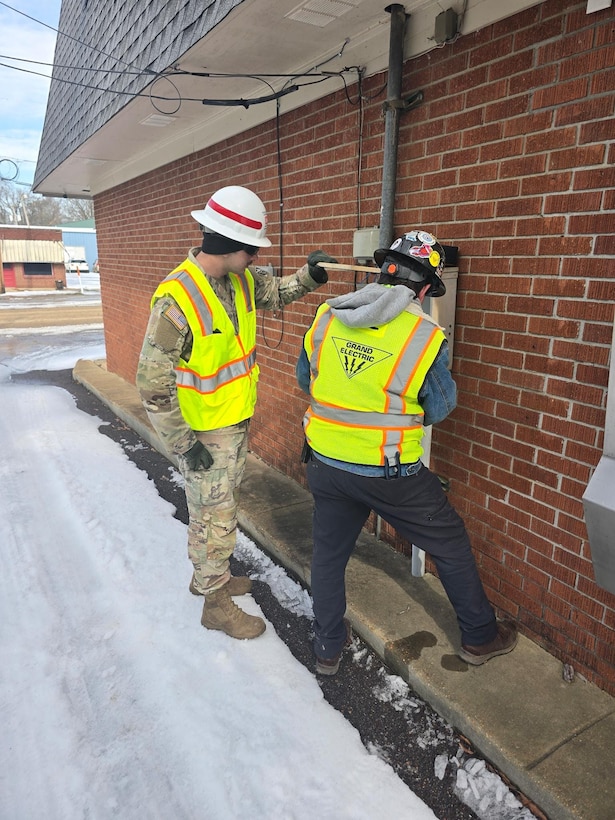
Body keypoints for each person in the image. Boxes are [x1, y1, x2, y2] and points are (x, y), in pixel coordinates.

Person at [296, 230, 518, 675]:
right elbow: (439, 407)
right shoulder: (424, 335)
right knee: (450, 542)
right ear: (425, 287)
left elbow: (308, 380)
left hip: (325, 462)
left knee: (328, 555)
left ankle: (326, 649)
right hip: (390, 473)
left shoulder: (327, 315)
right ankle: (479, 636)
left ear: (382, 270)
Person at [137, 185, 336, 640]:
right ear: (232, 246)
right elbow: (151, 384)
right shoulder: (177, 300)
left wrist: (310, 275)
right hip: (203, 432)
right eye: (252, 249)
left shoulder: (240, 279)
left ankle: (211, 578)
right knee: (217, 515)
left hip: (233, 421)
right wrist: (185, 446)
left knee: (211, 509)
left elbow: (278, 292)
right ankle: (215, 603)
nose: (255, 257)